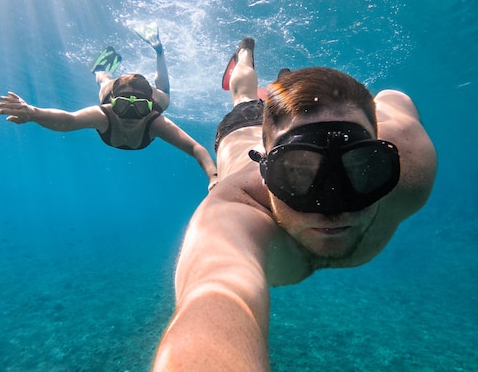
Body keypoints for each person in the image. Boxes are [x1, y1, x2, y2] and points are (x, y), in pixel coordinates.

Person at [152, 38, 437, 370]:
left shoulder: (409, 168)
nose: (331, 208)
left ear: (383, 161)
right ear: (265, 171)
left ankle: (288, 94)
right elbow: (211, 290)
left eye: (360, 169)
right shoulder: (235, 210)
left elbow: (394, 100)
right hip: (242, 131)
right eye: (297, 175)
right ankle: (245, 53)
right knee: (243, 95)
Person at [0, 23, 218, 190]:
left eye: (139, 108)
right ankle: (102, 67)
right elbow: (69, 120)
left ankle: (158, 49)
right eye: (123, 106)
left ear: (149, 107)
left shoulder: (155, 120)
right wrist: (33, 113)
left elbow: (196, 149)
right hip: (114, 89)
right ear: (113, 103)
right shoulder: (105, 114)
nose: (130, 115)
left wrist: (214, 179)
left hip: (148, 96)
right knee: (103, 81)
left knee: (165, 96)